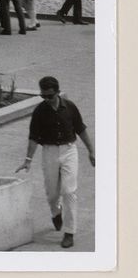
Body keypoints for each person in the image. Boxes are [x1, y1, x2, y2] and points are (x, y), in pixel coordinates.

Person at [16, 75, 96, 249]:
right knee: (52, 194)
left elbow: (81, 129)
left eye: (49, 96)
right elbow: (33, 137)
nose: (46, 99)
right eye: (43, 96)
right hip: (49, 152)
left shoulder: (70, 107)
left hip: (69, 151)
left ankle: (69, 232)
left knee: (69, 191)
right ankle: (55, 211)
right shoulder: (39, 112)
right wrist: (28, 160)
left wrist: (91, 151)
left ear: (58, 93)